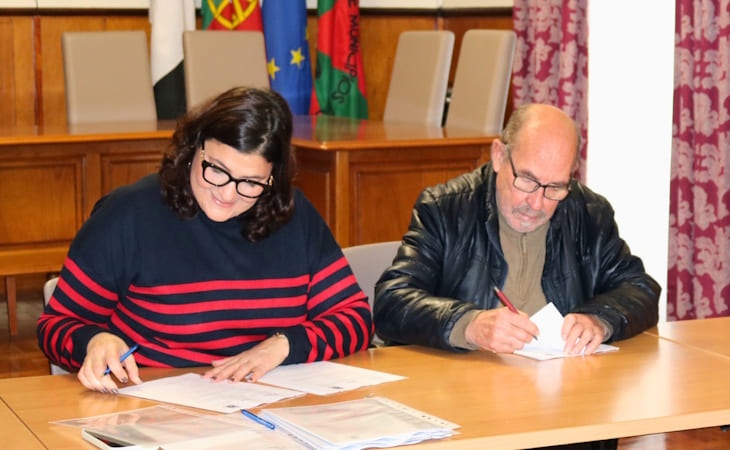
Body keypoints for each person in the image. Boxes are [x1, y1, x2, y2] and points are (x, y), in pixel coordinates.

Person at [37, 87, 373, 393]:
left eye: (251, 182)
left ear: (274, 178)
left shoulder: (295, 217)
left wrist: (284, 345)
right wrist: (94, 340)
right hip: (152, 404)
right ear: (192, 148)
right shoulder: (128, 215)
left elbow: (355, 319)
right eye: (216, 170)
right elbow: (56, 325)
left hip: (270, 404)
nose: (227, 194)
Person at [374, 103, 660, 356]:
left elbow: (640, 289)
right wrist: (469, 325)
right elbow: (392, 301)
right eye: (527, 180)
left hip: (560, 383)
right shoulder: (446, 209)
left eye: (555, 187)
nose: (536, 203)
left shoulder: (589, 213)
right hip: (464, 384)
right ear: (499, 156)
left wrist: (599, 319)